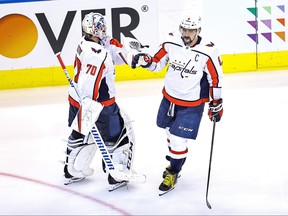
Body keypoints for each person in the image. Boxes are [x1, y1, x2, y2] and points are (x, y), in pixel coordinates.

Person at [131, 14, 224, 195]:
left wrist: (216, 102)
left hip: (192, 103)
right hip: (169, 97)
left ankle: (173, 171)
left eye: (191, 30)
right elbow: (156, 63)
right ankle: (176, 159)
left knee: (177, 138)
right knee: (168, 131)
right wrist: (145, 61)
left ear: (199, 31)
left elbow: (216, 78)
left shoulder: (208, 50)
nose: (187, 34)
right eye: (184, 29)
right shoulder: (171, 42)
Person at [63, 12, 139, 192]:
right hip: (99, 104)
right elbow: (89, 86)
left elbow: (114, 46)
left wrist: (135, 56)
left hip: (77, 100)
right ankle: (117, 174)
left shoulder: (88, 43)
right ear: (95, 30)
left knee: (80, 135)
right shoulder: (96, 54)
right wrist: (90, 110)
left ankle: (73, 170)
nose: (105, 30)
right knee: (119, 137)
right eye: (101, 27)